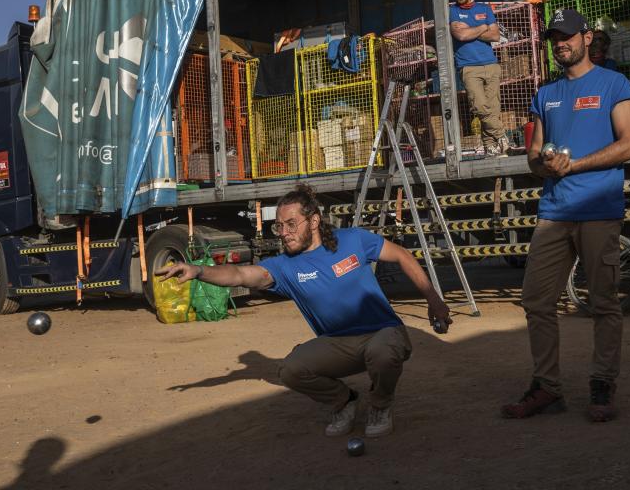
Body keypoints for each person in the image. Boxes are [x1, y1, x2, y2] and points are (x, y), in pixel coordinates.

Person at [157, 184, 451, 438]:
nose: (283, 233)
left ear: (313, 221)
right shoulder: (284, 267)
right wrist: (197, 270)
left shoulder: (353, 240)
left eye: (290, 224)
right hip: (339, 344)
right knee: (292, 370)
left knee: (384, 350)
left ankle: (380, 405)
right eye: (279, 226)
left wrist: (433, 300)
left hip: (383, 334)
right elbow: (239, 275)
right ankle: (344, 400)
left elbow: (401, 254)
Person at [502, 8, 630, 423]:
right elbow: (533, 153)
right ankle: (547, 387)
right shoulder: (546, 94)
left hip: (597, 208)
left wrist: (575, 165)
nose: (560, 43)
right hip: (554, 210)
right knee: (536, 300)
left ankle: (602, 383)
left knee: (602, 303)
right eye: (554, 38)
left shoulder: (614, 83)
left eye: (566, 36)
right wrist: (543, 164)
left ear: (585, 38)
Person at [449, 0, 509, 157]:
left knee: (493, 108)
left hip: (490, 64)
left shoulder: (484, 8)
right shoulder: (452, 11)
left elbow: (495, 36)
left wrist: (470, 29)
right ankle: (501, 135)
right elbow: (460, 36)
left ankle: (490, 146)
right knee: (480, 106)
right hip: (468, 67)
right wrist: (483, 27)